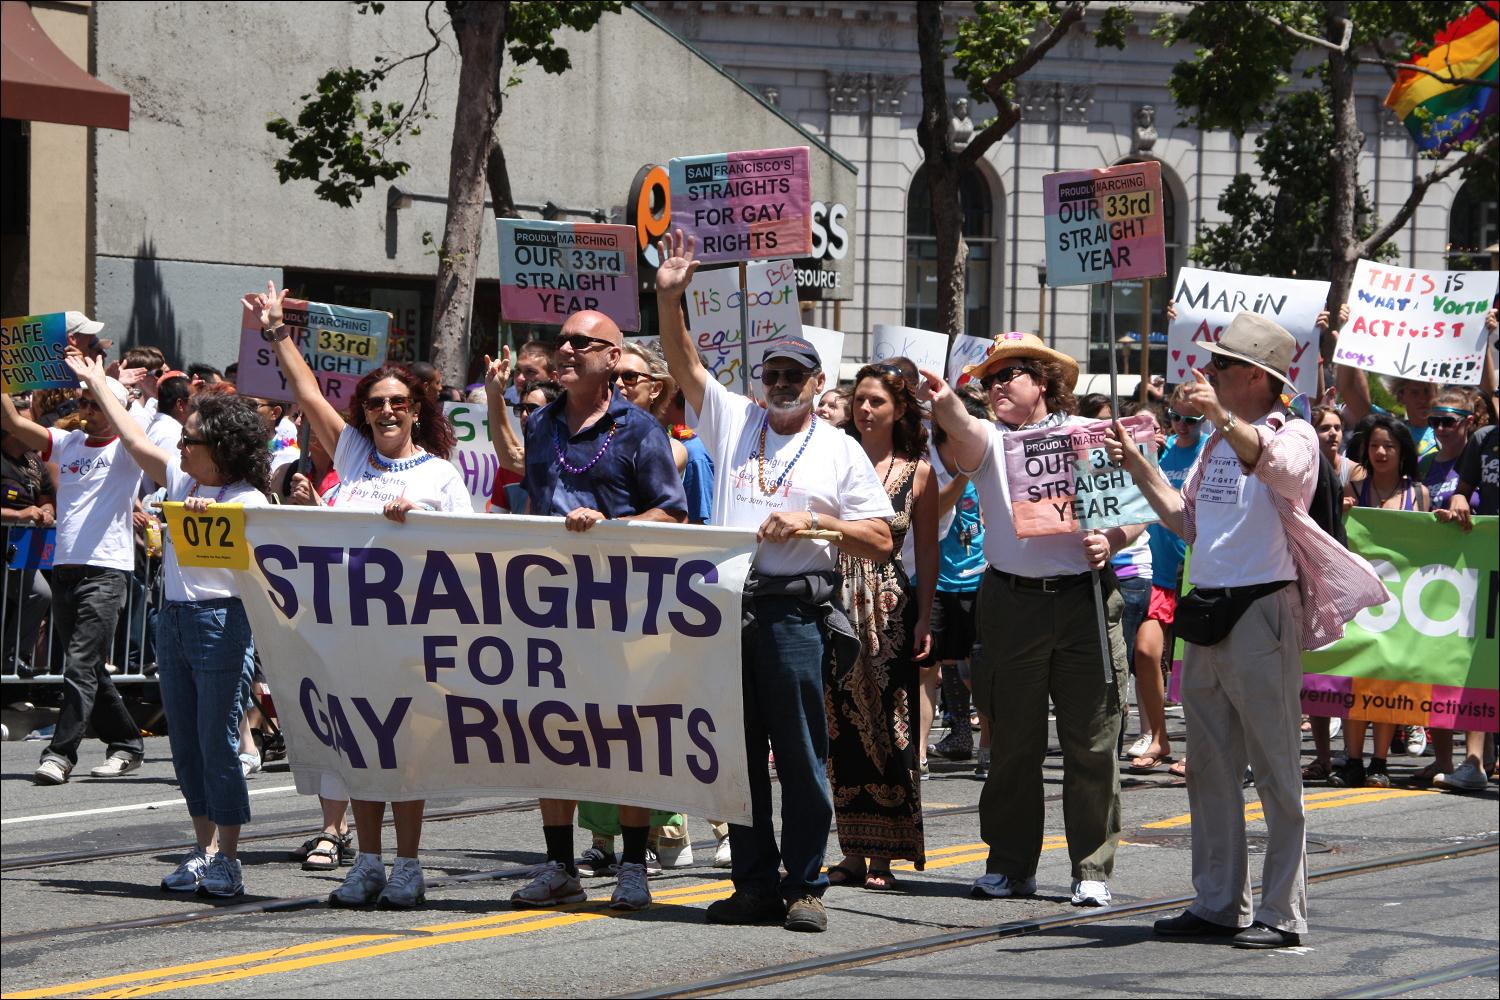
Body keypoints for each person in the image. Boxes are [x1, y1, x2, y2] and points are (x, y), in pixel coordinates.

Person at [1111, 312, 1385, 949]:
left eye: (1222, 366)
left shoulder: (1292, 434)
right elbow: (1188, 522)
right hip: (1206, 610)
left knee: (1276, 771)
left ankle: (1282, 913)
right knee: (1208, 767)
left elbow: (1280, 470)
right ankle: (1217, 902)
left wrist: (1217, 418)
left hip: (1261, 613)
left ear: (1258, 379)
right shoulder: (1213, 444)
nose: (1208, 373)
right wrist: (1140, 468)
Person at [657, 229, 894, 933]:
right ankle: (753, 884)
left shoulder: (841, 450)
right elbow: (684, 361)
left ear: (821, 385)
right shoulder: (734, 421)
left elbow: (883, 540)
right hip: (728, 613)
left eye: (798, 375)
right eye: (774, 374)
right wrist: (670, 297)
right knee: (734, 756)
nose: (784, 385)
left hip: (794, 616)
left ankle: (806, 884)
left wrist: (815, 526)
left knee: (798, 756)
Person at [245, 281, 470, 909]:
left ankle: (408, 864)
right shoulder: (351, 451)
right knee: (358, 748)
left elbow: (469, 552)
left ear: (417, 409)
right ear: (364, 412)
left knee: (405, 753)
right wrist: (276, 331)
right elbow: (309, 393)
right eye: (375, 404)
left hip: (411, 636)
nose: (387, 412)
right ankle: (367, 861)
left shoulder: (441, 475)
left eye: (398, 402)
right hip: (346, 632)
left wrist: (421, 520)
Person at [915, 331, 1140, 910]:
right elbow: (962, 429)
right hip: (1012, 604)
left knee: (1091, 741)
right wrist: (944, 399)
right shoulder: (987, 441)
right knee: (1013, 743)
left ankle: (1091, 867)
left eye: (1008, 375)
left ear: (1042, 381)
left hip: (1084, 599)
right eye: (987, 379)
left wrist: (1110, 539)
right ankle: (1011, 865)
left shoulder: (1082, 437)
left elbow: (1131, 517)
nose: (995, 387)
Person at [482, 309, 688, 914]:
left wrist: (610, 528)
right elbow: (526, 478)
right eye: (563, 340)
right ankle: (559, 865)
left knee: (622, 736)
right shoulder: (543, 424)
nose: (566, 349)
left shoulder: (639, 428)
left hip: (621, 609)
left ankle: (631, 866)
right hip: (548, 608)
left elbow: (672, 514)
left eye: (582, 342)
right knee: (551, 733)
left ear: (610, 357)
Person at [67, 354, 269, 897]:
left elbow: (255, 572)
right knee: (184, 742)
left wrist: (220, 526)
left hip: (222, 623)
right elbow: (134, 440)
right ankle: (203, 850)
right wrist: (97, 384)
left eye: (192, 440)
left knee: (217, 740)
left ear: (221, 447)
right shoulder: (180, 478)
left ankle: (228, 856)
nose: (181, 447)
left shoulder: (248, 499)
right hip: (174, 619)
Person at [824, 362, 936, 891]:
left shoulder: (918, 470)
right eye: (860, 400)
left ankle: (885, 856)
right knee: (841, 724)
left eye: (877, 402)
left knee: (891, 726)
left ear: (900, 409)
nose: (865, 410)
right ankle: (851, 850)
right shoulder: (832, 454)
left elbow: (929, 552)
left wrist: (927, 614)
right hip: (832, 597)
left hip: (888, 605)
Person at [4, 377, 146, 785]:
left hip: (106, 571)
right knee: (88, 670)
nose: (86, 407)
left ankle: (60, 754)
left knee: (80, 664)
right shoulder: (67, 443)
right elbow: (12, 421)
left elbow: (128, 425)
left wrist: (103, 382)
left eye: (95, 402)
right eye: (83, 400)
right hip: (65, 569)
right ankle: (127, 743)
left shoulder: (128, 449)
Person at [921, 392, 989, 774]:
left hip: (981, 578)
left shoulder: (993, 467)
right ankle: (958, 733)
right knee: (938, 663)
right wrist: (962, 474)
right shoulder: (931, 469)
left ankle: (986, 746)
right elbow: (933, 514)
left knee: (979, 665)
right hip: (941, 581)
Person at [2, 424, 55, 677]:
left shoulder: (35, 462)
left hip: (22, 548)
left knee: (40, 594)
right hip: (8, 538)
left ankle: (12, 658)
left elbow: (46, 498)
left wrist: (46, 512)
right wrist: (18, 514)